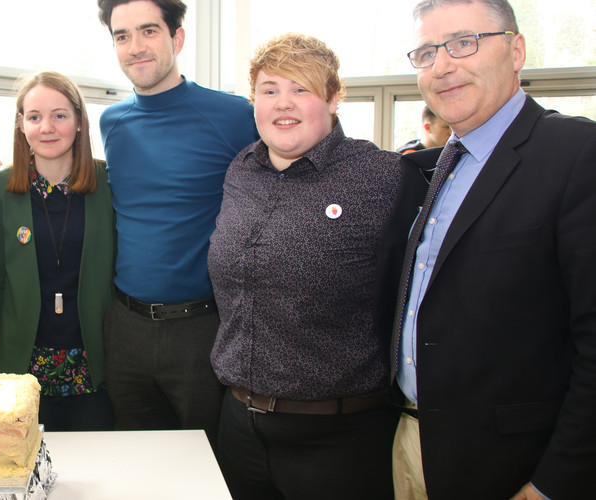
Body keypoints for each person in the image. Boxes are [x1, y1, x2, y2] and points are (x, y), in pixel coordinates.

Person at [379, 0, 596, 498]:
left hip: (514, 465)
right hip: (412, 440)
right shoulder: (438, 165)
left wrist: (554, 482)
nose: (442, 66)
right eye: (426, 52)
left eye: (464, 43)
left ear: (516, 51)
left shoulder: (577, 154)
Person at [209, 33, 401, 500]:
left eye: (301, 88)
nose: (283, 103)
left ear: (334, 98)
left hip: (337, 441)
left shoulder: (382, 176)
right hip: (238, 427)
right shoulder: (241, 169)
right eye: (269, 89)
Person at [96, 0, 258, 442]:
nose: (135, 46)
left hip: (200, 329)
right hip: (125, 326)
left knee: (204, 461)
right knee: (132, 457)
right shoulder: (111, 122)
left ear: (177, 38)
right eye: (122, 36)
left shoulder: (234, 116)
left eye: (148, 31)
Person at [0, 71, 115, 431]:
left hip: (95, 367)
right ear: (21, 125)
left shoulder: (109, 183)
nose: (47, 128)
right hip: (23, 368)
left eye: (59, 115)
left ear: (78, 121)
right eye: (34, 117)